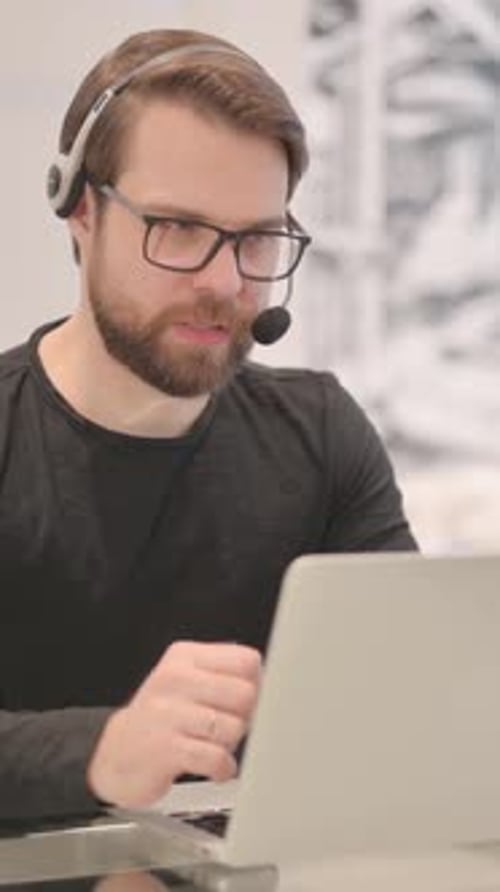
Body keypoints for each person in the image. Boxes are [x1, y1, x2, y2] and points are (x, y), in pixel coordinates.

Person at [0, 28, 417, 823]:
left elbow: (399, 707)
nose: (225, 283)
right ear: (79, 210)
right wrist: (103, 750)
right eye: (180, 230)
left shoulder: (322, 436)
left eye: (256, 239)